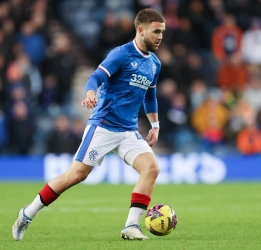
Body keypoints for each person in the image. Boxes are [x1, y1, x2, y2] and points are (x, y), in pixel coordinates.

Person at [12, 8, 166, 241]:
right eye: (156, 31)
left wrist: (154, 124)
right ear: (141, 30)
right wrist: (90, 92)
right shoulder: (121, 54)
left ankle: (131, 226)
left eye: (162, 32)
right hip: (103, 126)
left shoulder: (154, 63)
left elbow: (150, 96)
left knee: (151, 168)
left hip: (128, 131)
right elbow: (95, 77)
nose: (160, 36)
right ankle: (27, 213)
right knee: (75, 175)